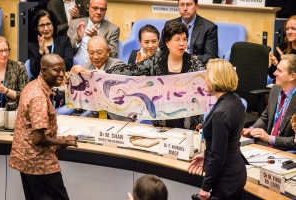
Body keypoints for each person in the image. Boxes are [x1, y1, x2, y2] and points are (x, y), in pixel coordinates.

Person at [107, 21, 205, 129]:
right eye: (177, 40)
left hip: (189, 126)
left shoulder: (195, 63)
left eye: (185, 39)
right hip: (161, 126)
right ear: (167, 43)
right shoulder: (156, 60)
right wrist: (104, 72)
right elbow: (129, 70)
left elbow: (206, 87)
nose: (182, 43)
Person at [9, 53, 78, 200]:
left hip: (27, 161)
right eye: (56, 70)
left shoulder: (32, 85)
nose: (61, 75)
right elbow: (39, 139)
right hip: (39, 163)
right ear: (44, 71)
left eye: (63, 70)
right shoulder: (39, 97)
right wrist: (63, 141)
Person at [188, 59, 247, 200]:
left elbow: (218, 154)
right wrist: (206, 155)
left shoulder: (221, 112)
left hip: (226, 180)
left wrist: (205, 187)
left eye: (208, 75)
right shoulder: (235, 100)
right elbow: (225, 144)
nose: (205, 79)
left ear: (215, 78)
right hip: (236, 171)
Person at [243, 54, 296, 151]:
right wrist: (251, 129)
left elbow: (294, 141)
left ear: (292, 76)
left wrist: (269, 138)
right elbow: (265, 118)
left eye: (279, 71)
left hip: (287, 151)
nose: (275, 73)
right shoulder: (275, 89)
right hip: (266, 146)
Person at [70, 35, 130, 121]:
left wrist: (86, 73)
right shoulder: (85, 66)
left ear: (108, 51)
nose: (95, 57)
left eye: (99, 52)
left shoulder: (118, 65)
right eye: (91, 53)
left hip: (117, 117)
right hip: (94, 117)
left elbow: (107, 79)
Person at [159, 0, 218, 64]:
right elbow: (163, 49)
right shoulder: (169, 24)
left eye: (188, 5)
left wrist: (188, 60)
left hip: (197, 68)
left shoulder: (209, 27)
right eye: (181, 5)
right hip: (173, 64)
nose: (185, 8)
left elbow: (210, 56)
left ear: (196, 6)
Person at [28, 9, 73, 80]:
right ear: (37, 28)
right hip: (42, 83)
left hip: (61, 80)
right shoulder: (32, 46)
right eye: (42, 25)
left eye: (48, 24)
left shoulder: (64, 41)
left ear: (53, 24)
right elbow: (35, 72)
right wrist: (40, 53)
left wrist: (48, 53)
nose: (46, 29)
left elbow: (69, 64)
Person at [0, 36, 28, 107]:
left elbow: (25, 96)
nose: (4, 54)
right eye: (0, 51)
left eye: (6, 50)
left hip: (13, 112)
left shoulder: (19, 67)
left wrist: (5, 90)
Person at [269, 15, 296, 83]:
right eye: (287, 29)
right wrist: (276, 65)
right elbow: (271, 74)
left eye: (293, 29)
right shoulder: (282, 47)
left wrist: (285, 63)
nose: (289, 32)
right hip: (280, 85)